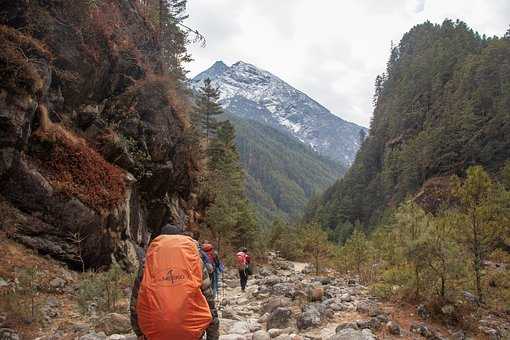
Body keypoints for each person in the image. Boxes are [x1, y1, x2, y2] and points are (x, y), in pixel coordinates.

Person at [130, 224, 219, 340]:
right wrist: (213, 335)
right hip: (191, 331)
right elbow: (208, 298)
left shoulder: (148, 260)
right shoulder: (193, 258)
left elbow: (136, 301)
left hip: (155, 332)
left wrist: (140, 333)